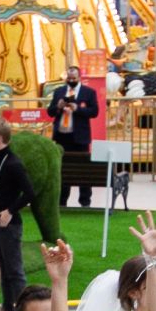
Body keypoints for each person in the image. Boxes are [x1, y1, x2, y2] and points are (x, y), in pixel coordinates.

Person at [0, 118, 33, 309]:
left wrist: (10, 211)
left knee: (14, 271)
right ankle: (10, 309)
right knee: (1, 269)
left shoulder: (13, 163)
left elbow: (29, 193)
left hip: (9, 225)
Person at [48, 65, 100, 207]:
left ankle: (85, 201)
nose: (71, 80)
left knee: (83, 169)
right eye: (69, 78)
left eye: (74, 78)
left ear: (79, 78)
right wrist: (58, 106)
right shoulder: (59, 92)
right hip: (61, 137)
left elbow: (94, 112)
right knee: (63, 170)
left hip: (80, 138)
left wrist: (78, 109)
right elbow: (50, 112)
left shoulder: (88, 92)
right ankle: (62, 201)